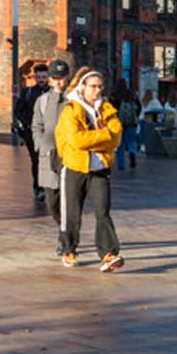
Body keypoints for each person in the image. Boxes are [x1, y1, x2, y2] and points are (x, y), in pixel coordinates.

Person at [55, 67, 124, 271]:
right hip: (75, 166)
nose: (97, 91)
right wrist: (103, 136)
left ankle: (108, 254)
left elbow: (116, 136)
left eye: (100, 87)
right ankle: (69, 249)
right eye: (93, 86)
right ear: (83, 87)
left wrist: (97, 140)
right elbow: (76, 140)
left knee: (103, 210)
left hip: (99, 168)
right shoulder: (71, 110)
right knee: (72, 212)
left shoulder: (107, 109)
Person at [30, 60, 71, 257]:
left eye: (62, 78)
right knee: (52, 203)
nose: (58, 83)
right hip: (48, 158)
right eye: (55, 78)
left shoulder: (74, 100)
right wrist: (40, 145)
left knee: (69, 202)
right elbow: (36, 126)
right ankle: (64, 232)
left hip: (70, 157)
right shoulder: (43, 101)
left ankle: (66, 240)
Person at [15, 65, 51, 199]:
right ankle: (38, 187)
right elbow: (18, 110)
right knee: (36, 160)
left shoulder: (53, 93)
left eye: (44, 77)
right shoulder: (28, 92)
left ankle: (47, 185)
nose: (41, 79)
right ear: (35, 77)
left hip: (50, 133)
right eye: (39, 77)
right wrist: (28, 124)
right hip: (33, 133)